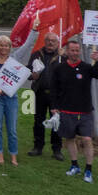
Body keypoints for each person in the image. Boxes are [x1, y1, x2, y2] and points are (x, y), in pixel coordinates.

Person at [48, 35, 98, 183]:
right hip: (66, 111)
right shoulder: (59, 68)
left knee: (87, 140)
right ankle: (74, 165)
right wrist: (54, 107)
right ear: (67, 52)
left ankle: (88, 170)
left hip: (85, 111)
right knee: (70, 139)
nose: (75, 53)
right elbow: (54, 89)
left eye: (77, 50)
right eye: (72, 50)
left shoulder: (87, 67)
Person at [0, 17, 40, 167]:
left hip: (11, 98)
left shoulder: (14, 58)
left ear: (10, 47)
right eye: (1, 45)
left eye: (6, 46)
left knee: (12, 129)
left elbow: (28, 45)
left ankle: (13, 155)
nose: (3, 48)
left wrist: (34, 30)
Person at [28, 30, 64, 160]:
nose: (50, 43)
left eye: (53, 41)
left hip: (57, 95)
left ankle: (57, 149)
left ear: (57, 43)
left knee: (56, 121)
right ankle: (38, 146)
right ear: (44, 42)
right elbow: (27, 71)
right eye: (48, 40)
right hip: (39, 93)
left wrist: (63, 58)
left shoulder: (62, 56)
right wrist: (32, 75)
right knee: (38, 120)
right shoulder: (36, 54)